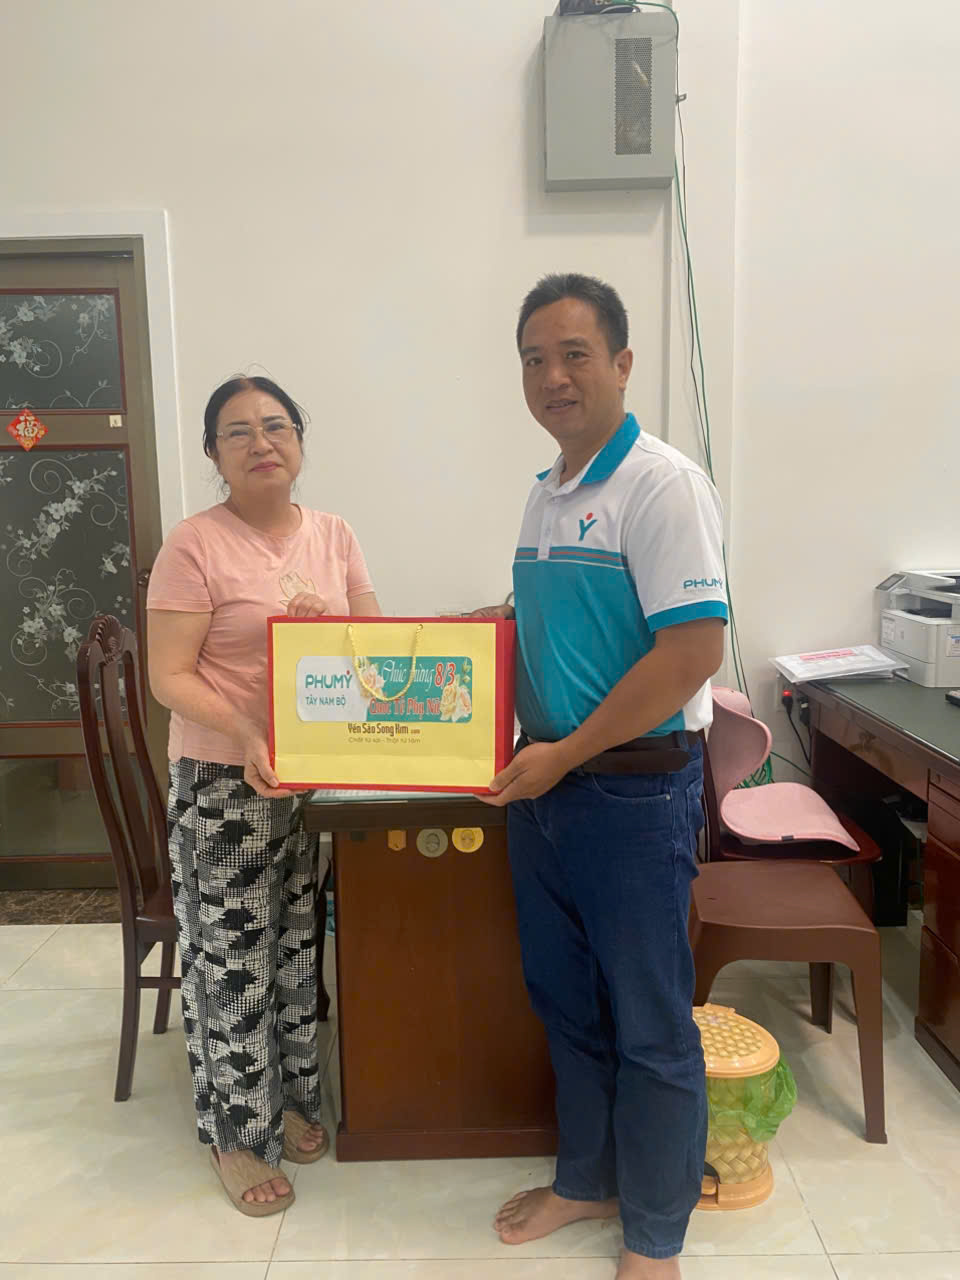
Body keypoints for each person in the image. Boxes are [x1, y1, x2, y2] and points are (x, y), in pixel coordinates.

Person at [474, 275, 727, 1278]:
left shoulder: (662, 486)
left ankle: (655, 1236)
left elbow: (691, 652)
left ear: (622, 363)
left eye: (575, 354)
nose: (553, 376)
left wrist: (565, 756)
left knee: (651, 1022)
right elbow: (558, 625)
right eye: (534, 358)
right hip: (545, 791)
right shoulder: (547, 490)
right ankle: (587, 1179)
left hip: (631, 792)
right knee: (567, 1001)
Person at [147, 375, 380, 1215]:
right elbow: (168, 675)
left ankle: (291, 1095)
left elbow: (373, 654)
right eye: (238, 431)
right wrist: (248, 732)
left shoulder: (335, 534)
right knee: (231, 962)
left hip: (308, 781)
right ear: (215, 453)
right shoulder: (194, 545)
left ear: (300, 442)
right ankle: (236, 1135)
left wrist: (337, 635)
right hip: (223, 781)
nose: (261, 442)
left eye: (276, 425)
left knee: (293, 947)